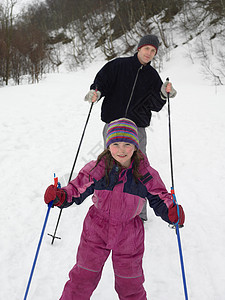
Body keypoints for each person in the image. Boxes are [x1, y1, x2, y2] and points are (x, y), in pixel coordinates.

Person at [44, 118, 185, 300]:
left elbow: (160, 197)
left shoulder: (145, 173)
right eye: (116, 144)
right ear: (108, 145)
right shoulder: (97, 169)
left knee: (130, 284)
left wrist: (171, 212)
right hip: (96, 230)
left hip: (129, 235)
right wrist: (61, 196)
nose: (121, 150)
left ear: (135, 146)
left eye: (127, 144)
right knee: (83, 277)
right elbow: (76, 189)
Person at [84, 34, 177, 221]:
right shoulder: (119, 65)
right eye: (146, 49)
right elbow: (103, 81)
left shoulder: (152, 76)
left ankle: (137, 213)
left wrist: (163, 94)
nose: (149, 53)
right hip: (113, 125)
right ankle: (105, 206)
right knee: (109, 165)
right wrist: (96, 91)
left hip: (137, 129)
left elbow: (155, 105)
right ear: (139, 48)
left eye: (153, 51)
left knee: (138, 167)